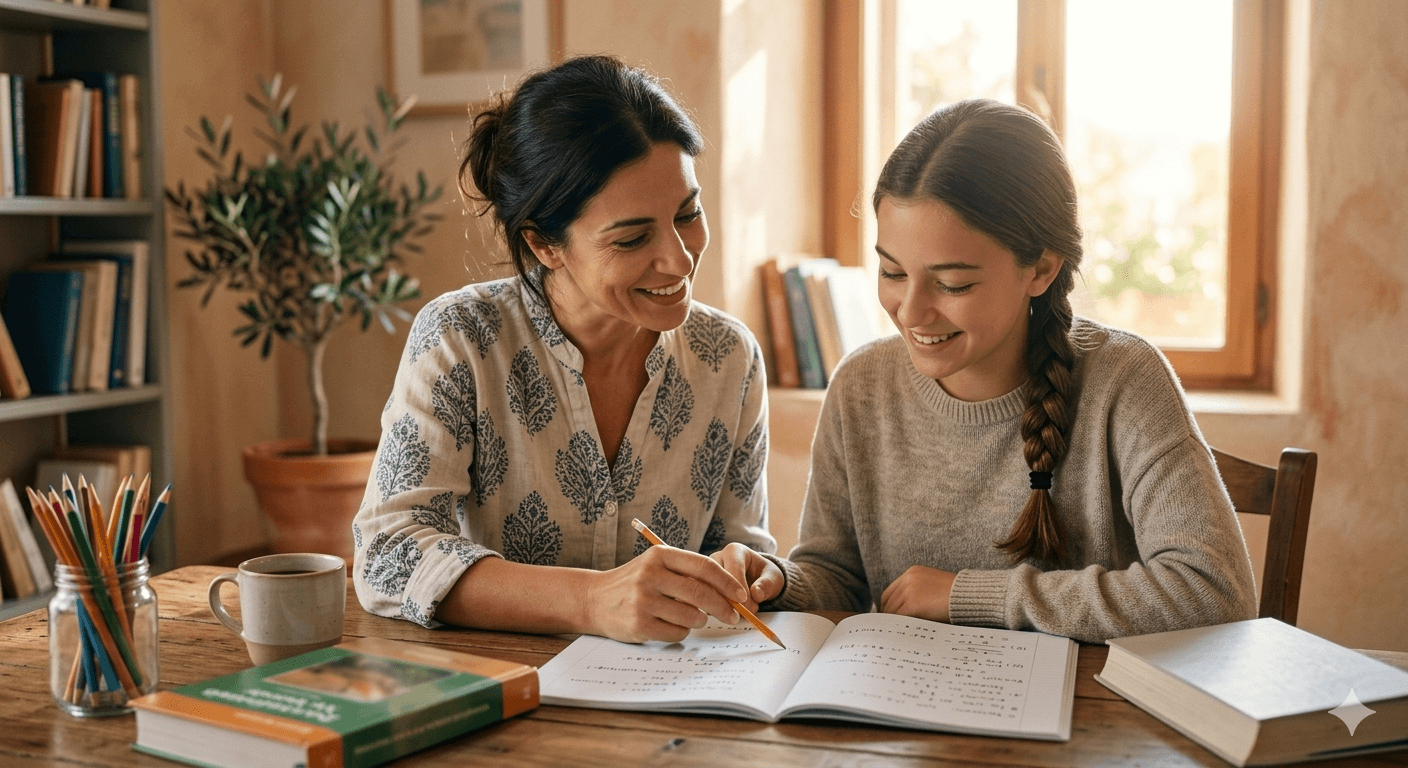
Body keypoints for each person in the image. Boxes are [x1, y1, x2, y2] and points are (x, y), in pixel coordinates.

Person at [712, 99, 1257, 644]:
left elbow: (1213, 591)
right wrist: (776, 582)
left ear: (1041, 268)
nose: (911, 312)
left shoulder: (1125, 380)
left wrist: (970, 595)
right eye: (893, 272)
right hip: (906, 692)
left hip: (1082, 698)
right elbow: (837, 578)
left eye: (952, 284)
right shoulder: (860, 386)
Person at [354, 55, 774, 643]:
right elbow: (388, 555)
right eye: (633, 238)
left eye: (688, 214)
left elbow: (741, 546)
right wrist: (590, 601)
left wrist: (748, 571)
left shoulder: (730, 357)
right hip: (498, 683)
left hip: (677, 686)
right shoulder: (460, 339)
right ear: (544, 245)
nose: (680, 260)